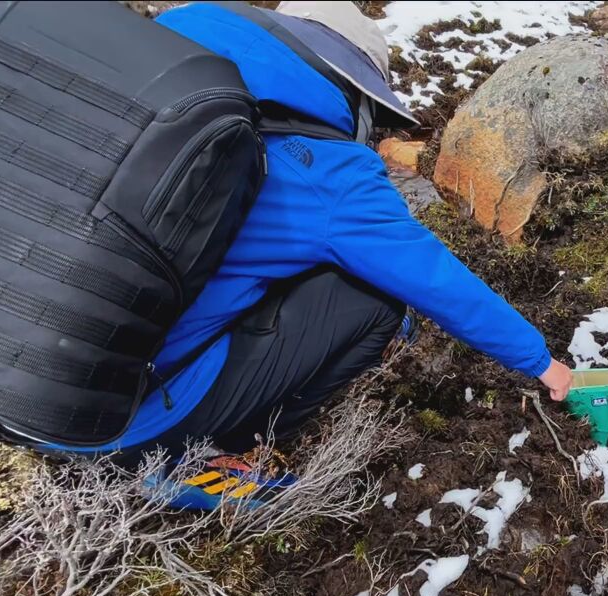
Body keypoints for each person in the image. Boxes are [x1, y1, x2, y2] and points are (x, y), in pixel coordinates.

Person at [45, 1, 572, 472]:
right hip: (124, 427)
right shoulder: (330, 171)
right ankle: (213, 452)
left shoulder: (163, 57)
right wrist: (541, 362)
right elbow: (436, 281)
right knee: (374, 301)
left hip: (9, 382)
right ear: (355, 90)